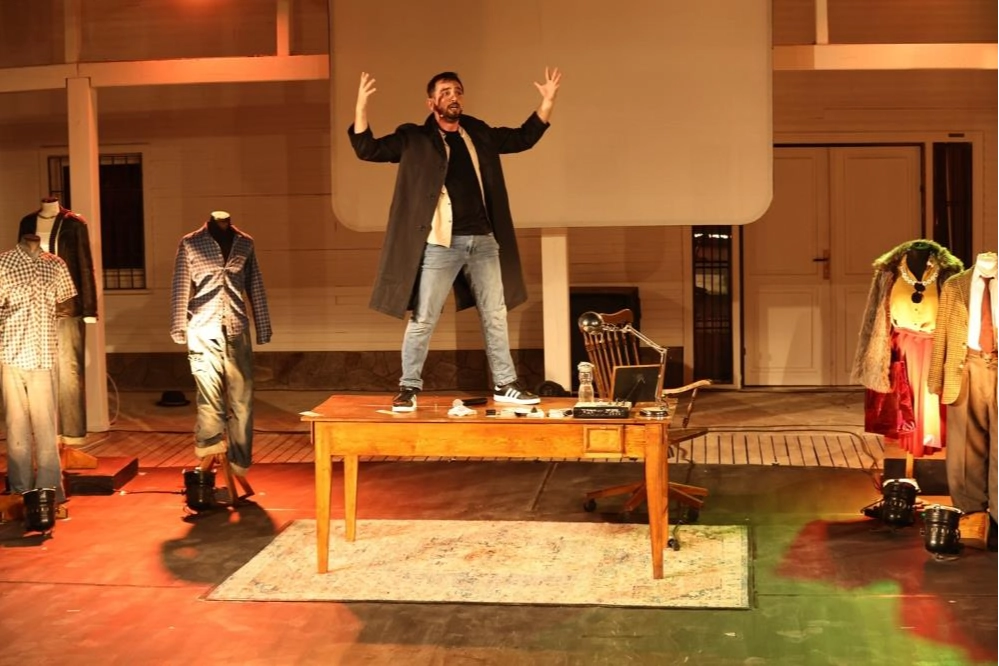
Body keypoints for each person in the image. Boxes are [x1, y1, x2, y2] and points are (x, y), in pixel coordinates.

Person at [348, 67, 562, 412]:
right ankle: (408, 387)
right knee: (424, 317)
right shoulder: (415, 138)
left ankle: (505, 384)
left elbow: (522, 138)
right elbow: (367, 149)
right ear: (431, 102)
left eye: (458, 91)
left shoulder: (477, 132)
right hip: (441, 243)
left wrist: (547, 101)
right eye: (445, 92)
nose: (453, 97)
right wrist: (361, 107)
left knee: (495, 315)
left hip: (483, 241)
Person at [170, 211, 272, 481]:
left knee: (242, 400)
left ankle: (240, 459)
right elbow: (181, 286)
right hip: (204, 329)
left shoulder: (244, 243)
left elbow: (255, 284)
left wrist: (263, 327)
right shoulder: (191, 243)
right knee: (209, 396)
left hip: (237, 329)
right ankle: (209, 443)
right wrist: (178, 327)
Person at [852, 239, 964, 456]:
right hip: (901, 347)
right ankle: (906, 441)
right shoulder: (888, 272)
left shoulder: (948, 273)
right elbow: (875, 312)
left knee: (931, 397)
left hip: (935, 345)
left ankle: (931, 441)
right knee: (903, 396)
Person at [0, 232, 77, 513]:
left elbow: (66, 304)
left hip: (43, 355)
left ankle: (49, 490)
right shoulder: (4, 264)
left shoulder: (55, 264)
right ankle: (20, 489)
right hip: (11, 353)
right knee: (16, 426)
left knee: (46, 428)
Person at [17, 197, 98, 445]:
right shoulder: (27, 222)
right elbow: (20, 262)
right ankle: (48, 433)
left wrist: (89, 308)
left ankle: (72, 435)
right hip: (34, 308)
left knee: (70, 371)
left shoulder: (74, 224)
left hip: (67, 307)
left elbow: (85, 265)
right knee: (39, 371)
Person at [928, 251, 998, 539]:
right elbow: (942, 333)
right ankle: (971, 514)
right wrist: (936, 379)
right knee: (965, 447)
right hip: (965, 366)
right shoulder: (956, 284)